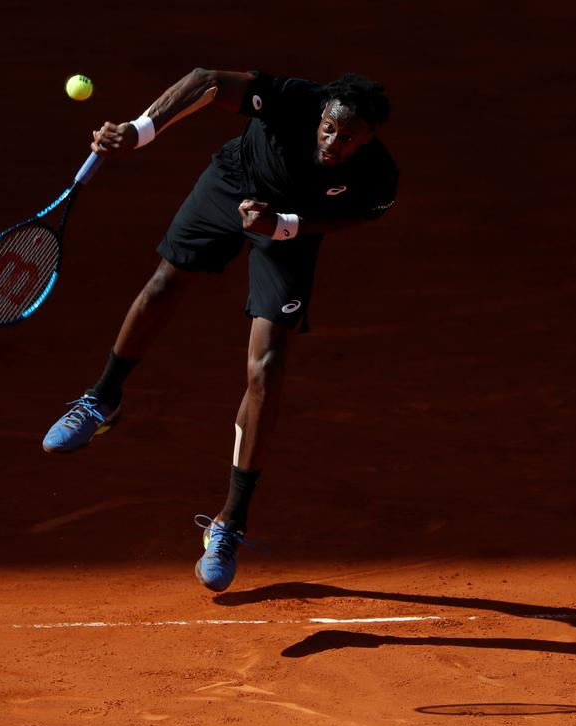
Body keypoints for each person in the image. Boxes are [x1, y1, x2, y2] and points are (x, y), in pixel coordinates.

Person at [40, 69, 398, 592]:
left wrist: (281, 225)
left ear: (368, 137)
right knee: (166, 283)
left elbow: (357, 217)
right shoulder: (293, 100)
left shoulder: (379, 175)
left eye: (346, 138)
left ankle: (229, 522)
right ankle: (103, 398)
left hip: (287, 227)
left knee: (267, 367)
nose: (331, 141)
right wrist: (140, 131)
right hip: (233, 180)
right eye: (327, 129)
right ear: (320, 115)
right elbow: (209, 81)